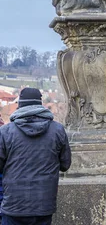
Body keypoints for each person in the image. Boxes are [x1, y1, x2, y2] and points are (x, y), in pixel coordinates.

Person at [0, 88, 71, 225]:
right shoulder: (57, 130)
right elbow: (65, 164)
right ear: (40, 104)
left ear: (20, 104)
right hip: (43, 205)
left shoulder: (5, 132)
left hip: (14, 206)